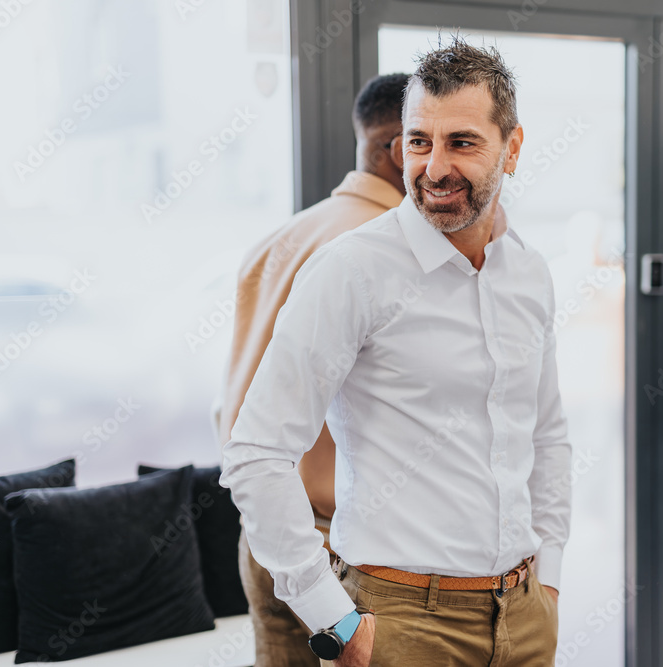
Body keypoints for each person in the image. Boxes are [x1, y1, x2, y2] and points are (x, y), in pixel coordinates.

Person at [221, 37, 571, 667]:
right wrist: (339, 623)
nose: (434, 167)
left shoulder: (530, 271)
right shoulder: (352, 269)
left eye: (461, 142)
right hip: (399, 622)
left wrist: (548, 580)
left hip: (523, 617)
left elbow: (546, 435)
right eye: (418, 141)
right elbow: (255, 451)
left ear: (511, 148)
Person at [216, 73, 410, 667]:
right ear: (403, 148)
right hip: (339, 552)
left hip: (267, 537)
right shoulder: (389, 252)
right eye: (432, 140)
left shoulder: (280, 238)